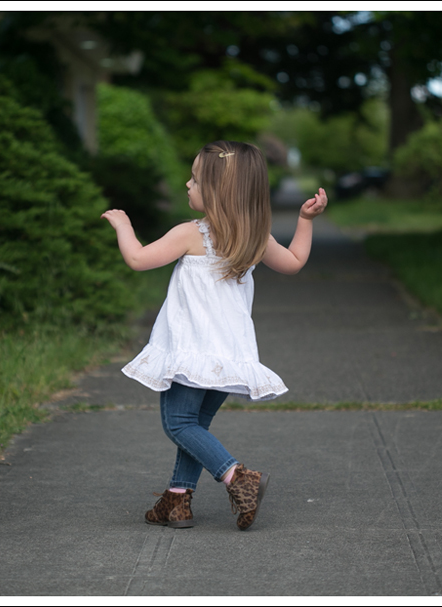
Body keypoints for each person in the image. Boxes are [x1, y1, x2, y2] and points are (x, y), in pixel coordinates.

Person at [101, 140, 328, 531]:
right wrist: (305, 221)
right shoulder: (254, 236)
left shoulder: (191, 233)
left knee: (178, 424)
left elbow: (138, 259)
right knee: (195, 427)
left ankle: (238, 478)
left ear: (218, 192)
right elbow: (293, 262)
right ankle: (176, 501)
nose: (187, 185)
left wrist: (123, 226)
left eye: (195, 180)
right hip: (230, 353)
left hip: (192, 351)